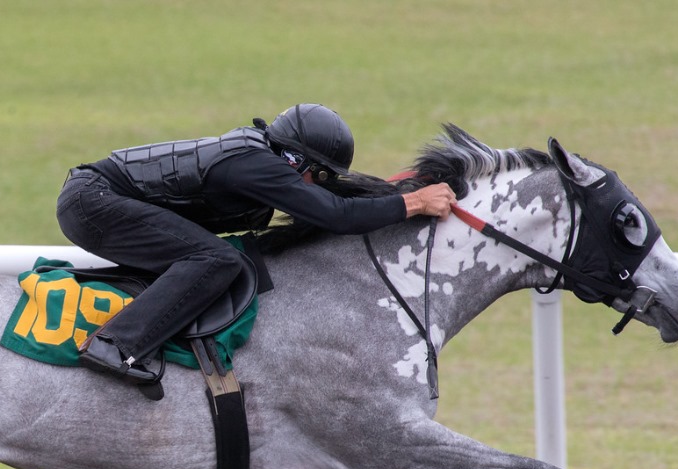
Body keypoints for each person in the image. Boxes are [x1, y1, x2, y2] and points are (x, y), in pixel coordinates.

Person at [56, 103, 456, 399]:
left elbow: (335, 201)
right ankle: (116, 345)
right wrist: (414, 203)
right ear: (295, 158)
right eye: (318, 174)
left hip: (97, 199)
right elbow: (336, 215)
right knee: (217, 259)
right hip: (93, 203)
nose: (317, 183)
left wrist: (396, 192)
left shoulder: (261, 157)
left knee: (218, 256)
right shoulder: (254, 164)